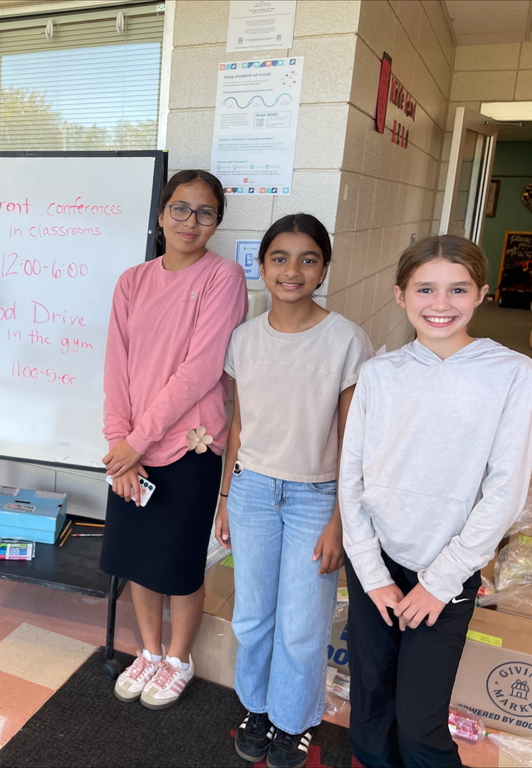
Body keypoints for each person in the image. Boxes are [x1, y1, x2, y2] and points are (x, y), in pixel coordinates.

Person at [339, 234, 532, 768]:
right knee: (371, 699)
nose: (440, 304)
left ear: (481, 293)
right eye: (425, 289)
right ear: (400, 294)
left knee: (419, 715)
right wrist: (370, 569)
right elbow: (352, 478)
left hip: (445, 572)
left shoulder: (513, 375)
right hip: (375, 565)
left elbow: (505, 491)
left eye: (457, 290)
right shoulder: (379, 374)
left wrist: (439, 580)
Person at [215, 214, 372, 768]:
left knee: (303, 624)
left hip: (315, 497)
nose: (292, 270)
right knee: (253, 615)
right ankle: (257, 708)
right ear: (261, 267)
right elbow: (238, 424)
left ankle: (294, 720)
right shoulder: (243, 339)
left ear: (324, 268)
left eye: (308, 259)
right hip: (252, 489)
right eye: (279, 258)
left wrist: (339, 520)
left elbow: (354, 442)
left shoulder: (347, 339)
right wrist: (227, 499)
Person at [101, 169, 246, 710]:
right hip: (132, 450)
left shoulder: (223, 277)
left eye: (205, 212)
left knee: (180, 561)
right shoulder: (132, 280)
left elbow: (201, 369)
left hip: (191, 446)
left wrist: (138, 441)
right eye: (180, 209)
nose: (191, 221)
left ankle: (179, 658)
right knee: (139, 558)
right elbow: (116, 366)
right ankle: (150, 652)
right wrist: (121, 445)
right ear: (161, 214)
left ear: (216, 223)